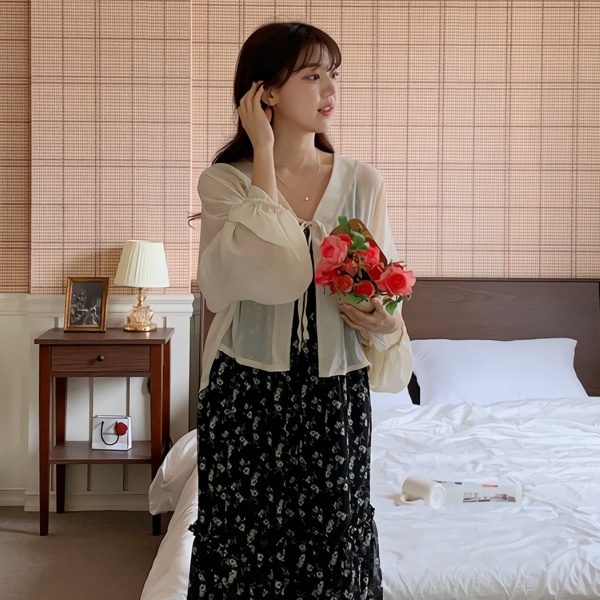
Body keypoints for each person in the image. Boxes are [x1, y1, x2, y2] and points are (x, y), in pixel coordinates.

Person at [188, 21, 412, 599]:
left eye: (332, 75)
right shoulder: (224, 184)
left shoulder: (363, 183)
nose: (329, 90)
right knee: (243, 552)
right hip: (245, 392)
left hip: (335, 397)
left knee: (334, 551)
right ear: (265, 92)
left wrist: (386, 322)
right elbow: (259, 276)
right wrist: (263, 154)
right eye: (312, 76)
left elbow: (383, 291)